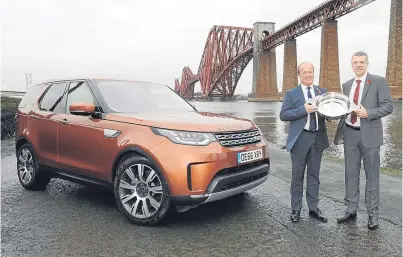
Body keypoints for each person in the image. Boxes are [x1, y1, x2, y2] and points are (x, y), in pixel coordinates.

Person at [334, 51, 393, 230]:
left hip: (370, 136)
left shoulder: (378, 81)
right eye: (355, 62)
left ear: (367, 63)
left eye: (361, 62)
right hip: (350, 134)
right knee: (350, 175)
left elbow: (388, 106)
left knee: (372, 177)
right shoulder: (346, 85)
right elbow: (344, 109)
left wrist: (369, 113)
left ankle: (372, 215)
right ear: (351, 65)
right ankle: (351, 209)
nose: (358, 65)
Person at [280, 62, 329, 223]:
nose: (308, 75)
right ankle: (296, 209)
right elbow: (284, 115)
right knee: (297, 176)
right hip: (300, 139)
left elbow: (328, 114)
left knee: (314, 176)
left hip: (317, 138)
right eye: (305, 72)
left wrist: (333, 113)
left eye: (310, 72)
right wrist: (303, 110)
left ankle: (314, 209)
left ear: (314, 73)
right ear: (299, 75)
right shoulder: (291, 94)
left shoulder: (323, 92)